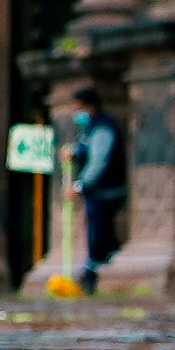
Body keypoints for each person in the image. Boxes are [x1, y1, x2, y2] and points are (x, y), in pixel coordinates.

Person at [68, 91, 126, 284]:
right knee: (99, 229)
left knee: (99, 231)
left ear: (89, 106)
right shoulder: (91, 126)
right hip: (98, 190)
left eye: (78, 108)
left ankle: (93, 275)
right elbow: (86, 148)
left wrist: (81, 186)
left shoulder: (103, 126)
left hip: (106, 189)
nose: (76, 113)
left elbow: (99, 160)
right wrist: (75, 153)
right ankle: (97, 269)